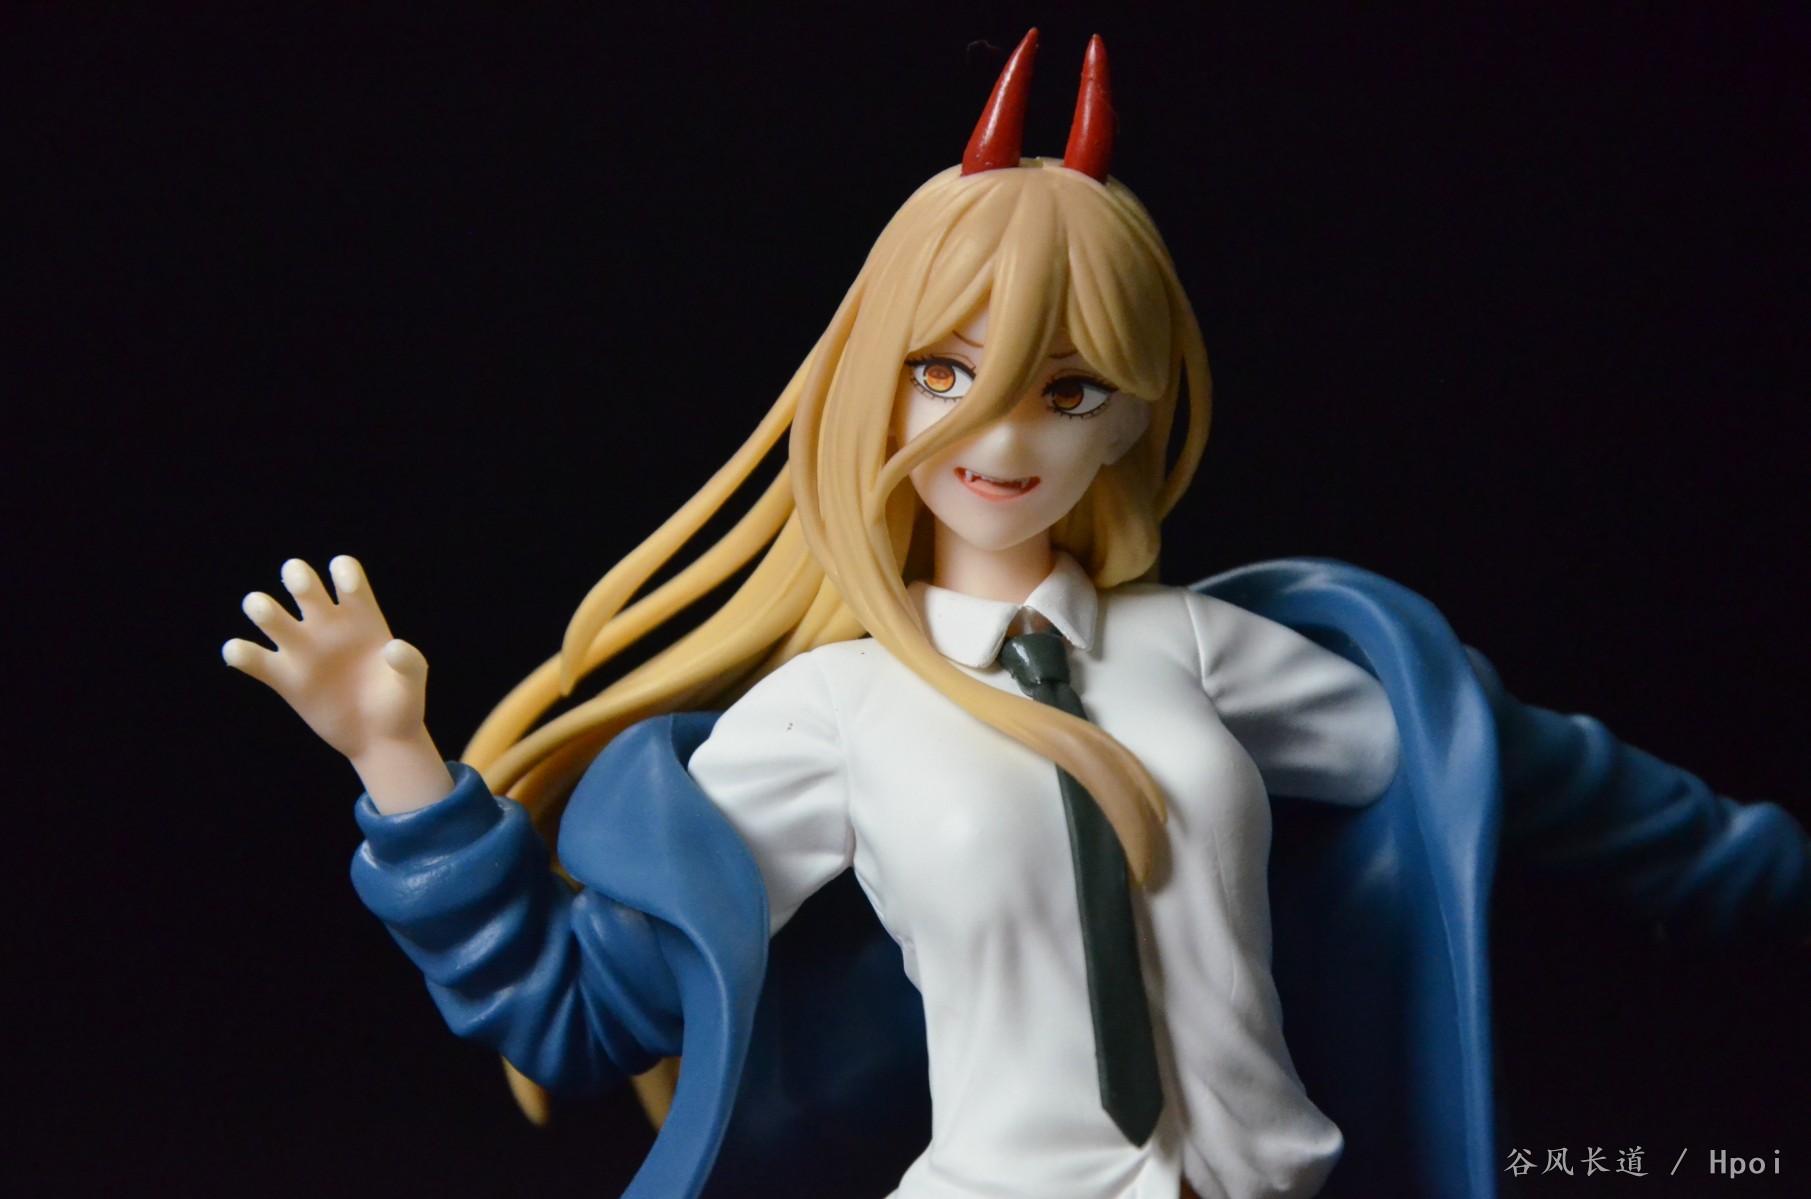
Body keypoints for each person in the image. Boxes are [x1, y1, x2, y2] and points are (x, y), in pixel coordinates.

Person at [224, 32, 1809, 1199]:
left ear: (1130, 419)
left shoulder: (1201, 656)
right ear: (879, 384)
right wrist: (396, 762)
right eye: (946, 372)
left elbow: (1526, 771)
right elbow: (581, 1014)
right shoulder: (835, 717)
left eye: (1069, 388)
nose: (1001, 436)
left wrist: (1763, 874)